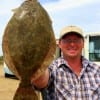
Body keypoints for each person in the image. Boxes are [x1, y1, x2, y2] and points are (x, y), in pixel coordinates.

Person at [31, 25, 100, 100]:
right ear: (59, 44)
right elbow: (40, 81)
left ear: (83, 43)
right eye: (67, 40)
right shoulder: (53, 68)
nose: (72, 44)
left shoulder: (96, 70)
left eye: (76, 40)